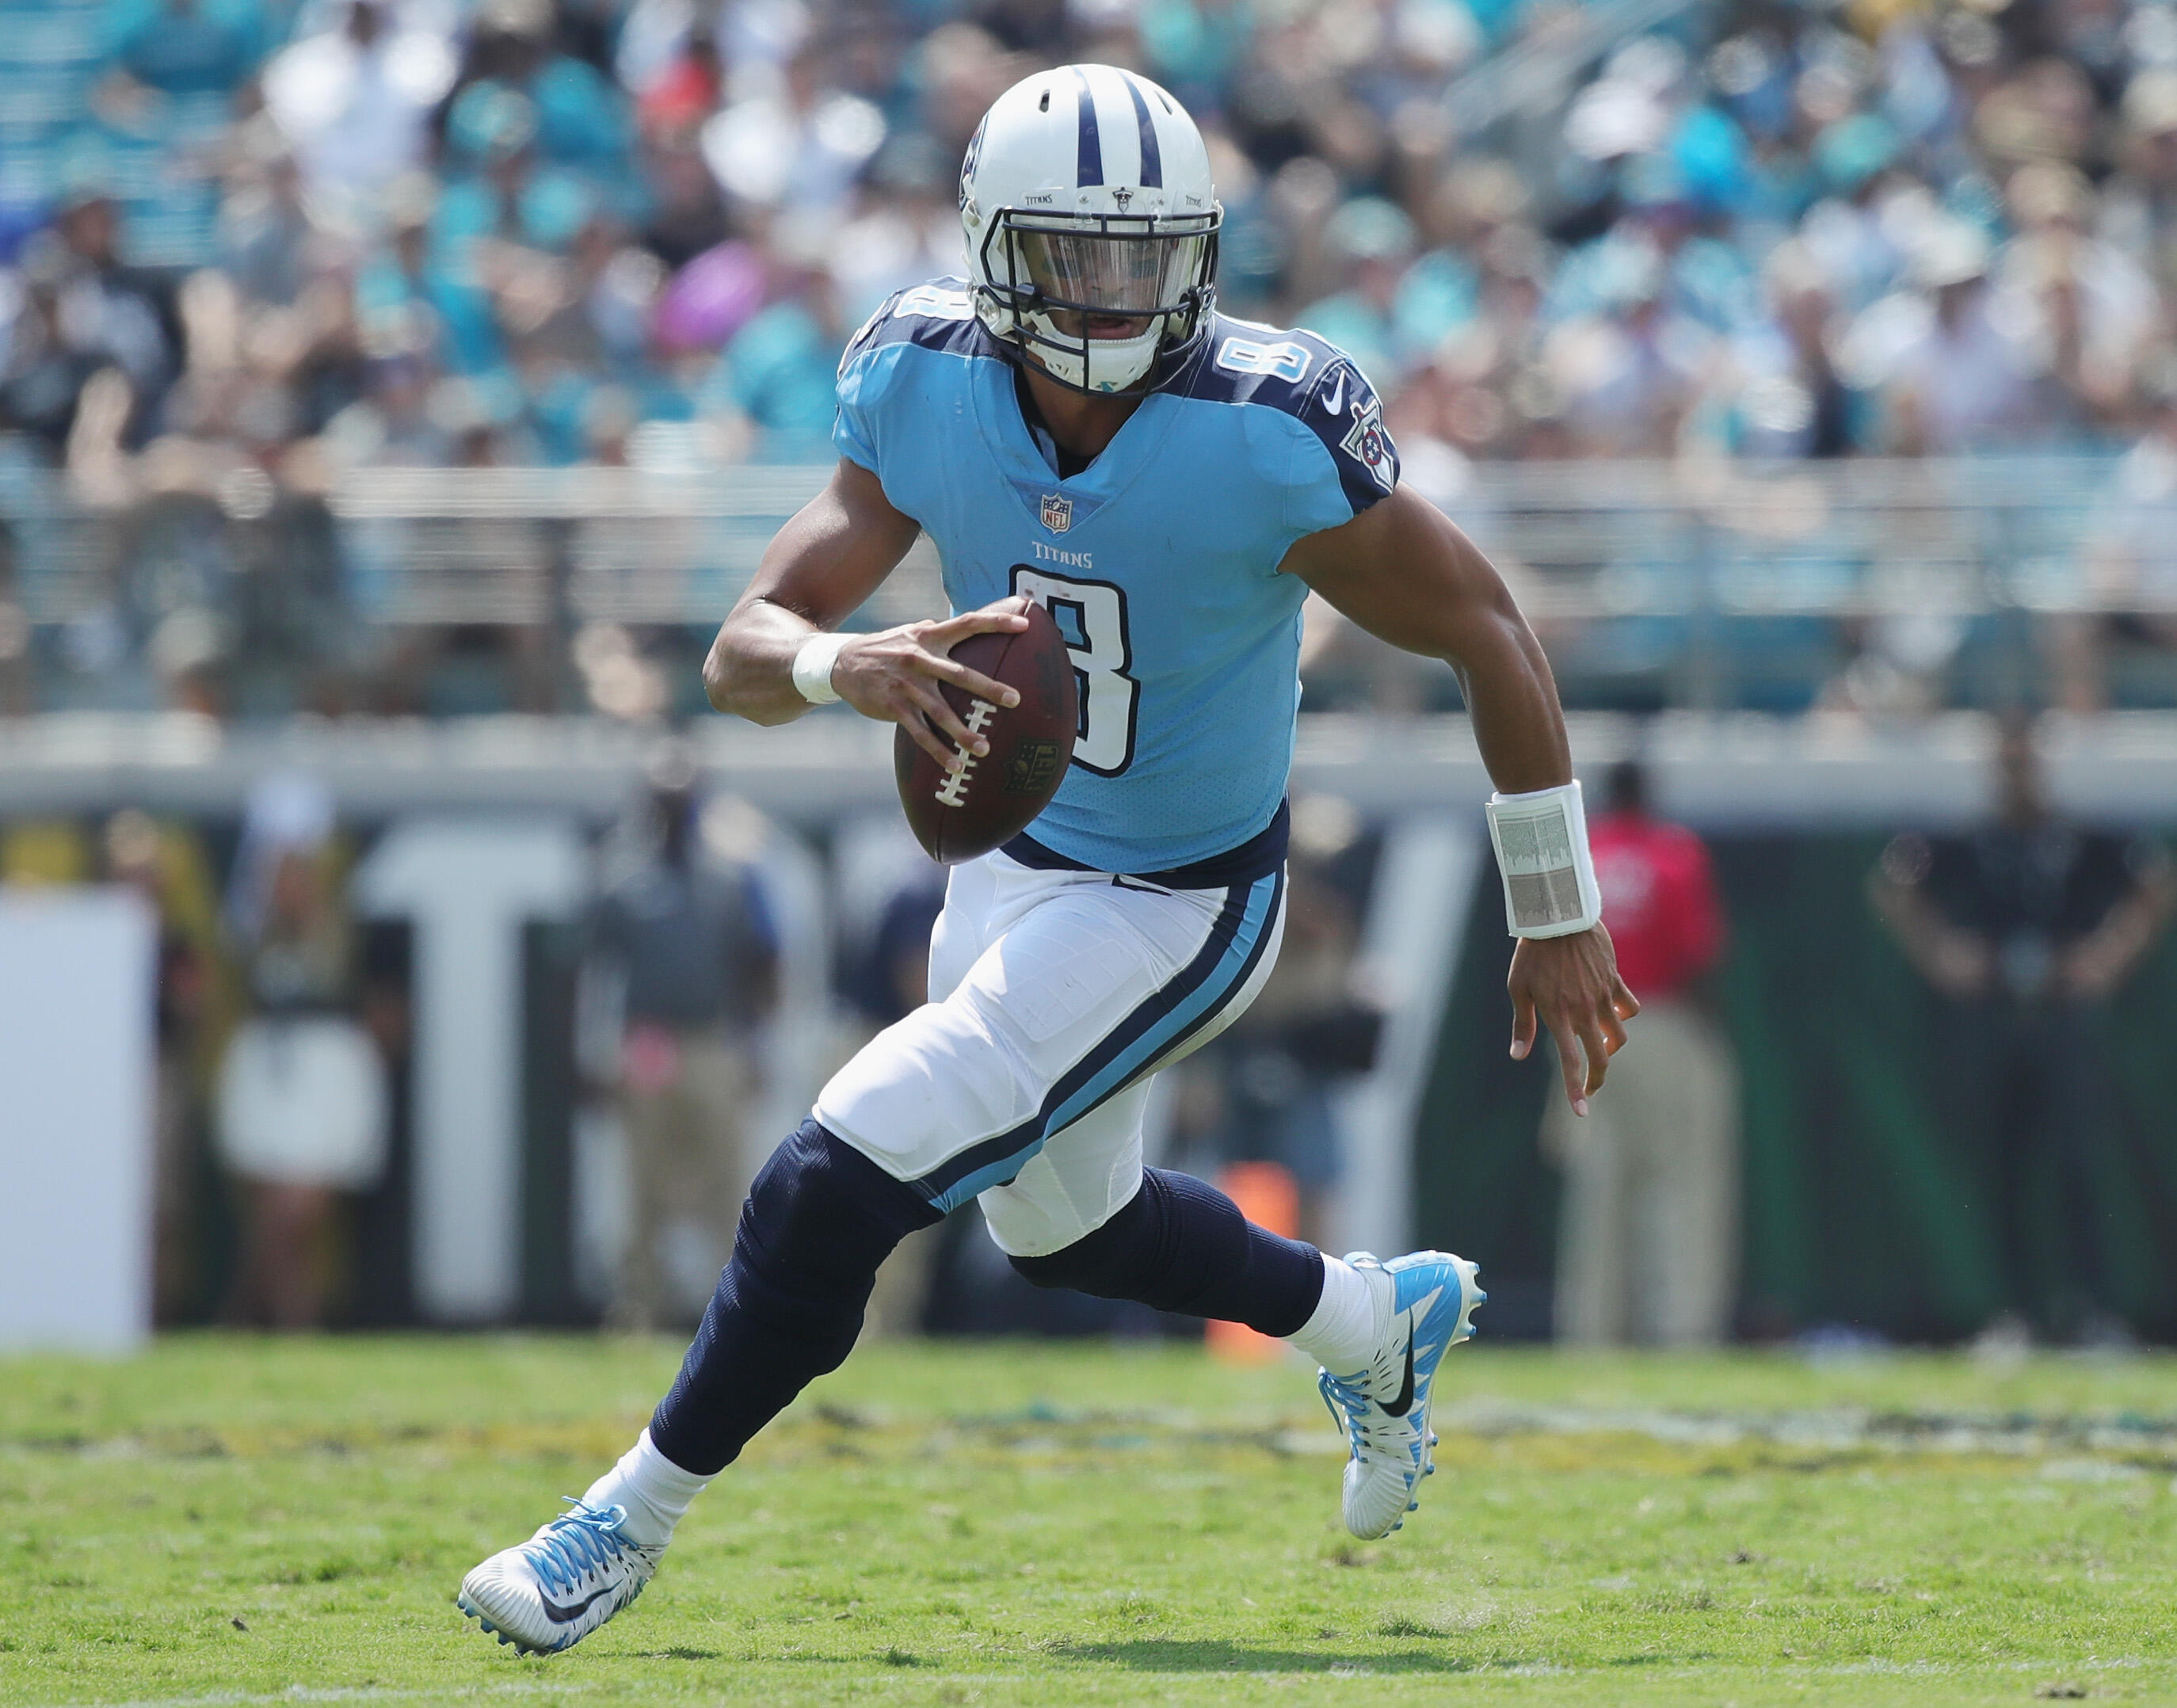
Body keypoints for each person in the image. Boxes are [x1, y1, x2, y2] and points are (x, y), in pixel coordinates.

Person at [457, 64, 1637, 1654]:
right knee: (1065, 1229)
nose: (1114, 289)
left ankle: (618, 1523)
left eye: (1145, 253)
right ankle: (1375, 1321)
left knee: (836, 1165)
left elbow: (1490, 628)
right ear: (995, 253)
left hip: (1183, 898)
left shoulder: (1265, 425)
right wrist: (844, 664)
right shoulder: (920, 377)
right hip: (1018, 861)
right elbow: (743, 647)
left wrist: (1554, 906)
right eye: (1076, 254)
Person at [1870, 714, 2174, 1344]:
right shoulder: (1971, 840)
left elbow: (2152, 881)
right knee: (2003, 1169)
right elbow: (1893, 884)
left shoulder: (2077, 837)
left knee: (2078, 1167)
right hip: (1997, 1016)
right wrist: (1942, 953)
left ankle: (2093, 1310)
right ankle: (2012, 1313)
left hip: (2063, 1014)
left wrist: (2108, 957)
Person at [1540, 757, 1737, 1346]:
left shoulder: (1585, 855)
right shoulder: (1673, 854)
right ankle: (1679, 1328)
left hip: (1583, 1026)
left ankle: (1589, 1332)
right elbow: (1697, 956)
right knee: (1679, 1185)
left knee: (1596, 1190)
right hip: (1659, 1021)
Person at [587, 747, 780, 1329]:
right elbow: (592, 970)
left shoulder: (726, 877)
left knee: (726, 1179)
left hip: (711, 1040)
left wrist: (754, 1045)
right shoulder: (622, 880)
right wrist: (593, 1051)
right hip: (648, 1043)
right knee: (643, 1180)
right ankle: (640, 1303)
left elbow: (756, 964)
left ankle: (731, 1308)